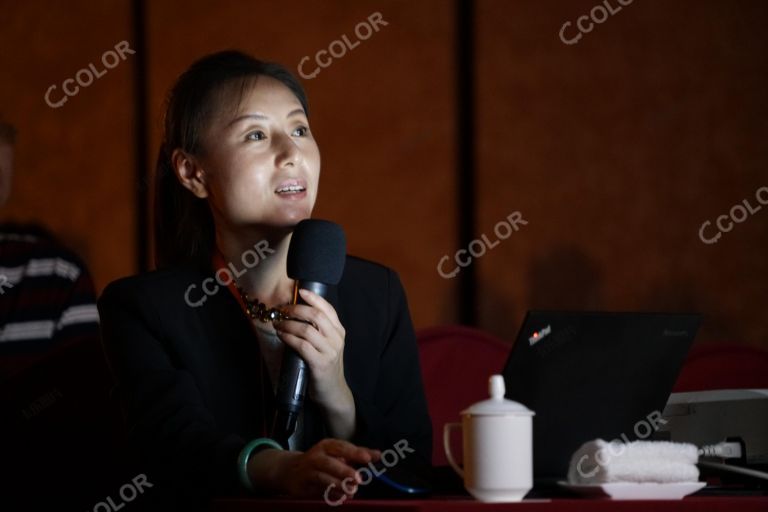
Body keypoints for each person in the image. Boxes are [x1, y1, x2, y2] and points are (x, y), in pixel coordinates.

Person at [97, 50, 432, 508]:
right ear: (192, 172)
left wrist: (337, 393)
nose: (291, 153)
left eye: (299, 129)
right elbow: (171, 447)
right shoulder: (143, 309)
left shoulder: (379, 294)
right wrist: (277, 468)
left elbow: (413, 467)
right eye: (256, 135)